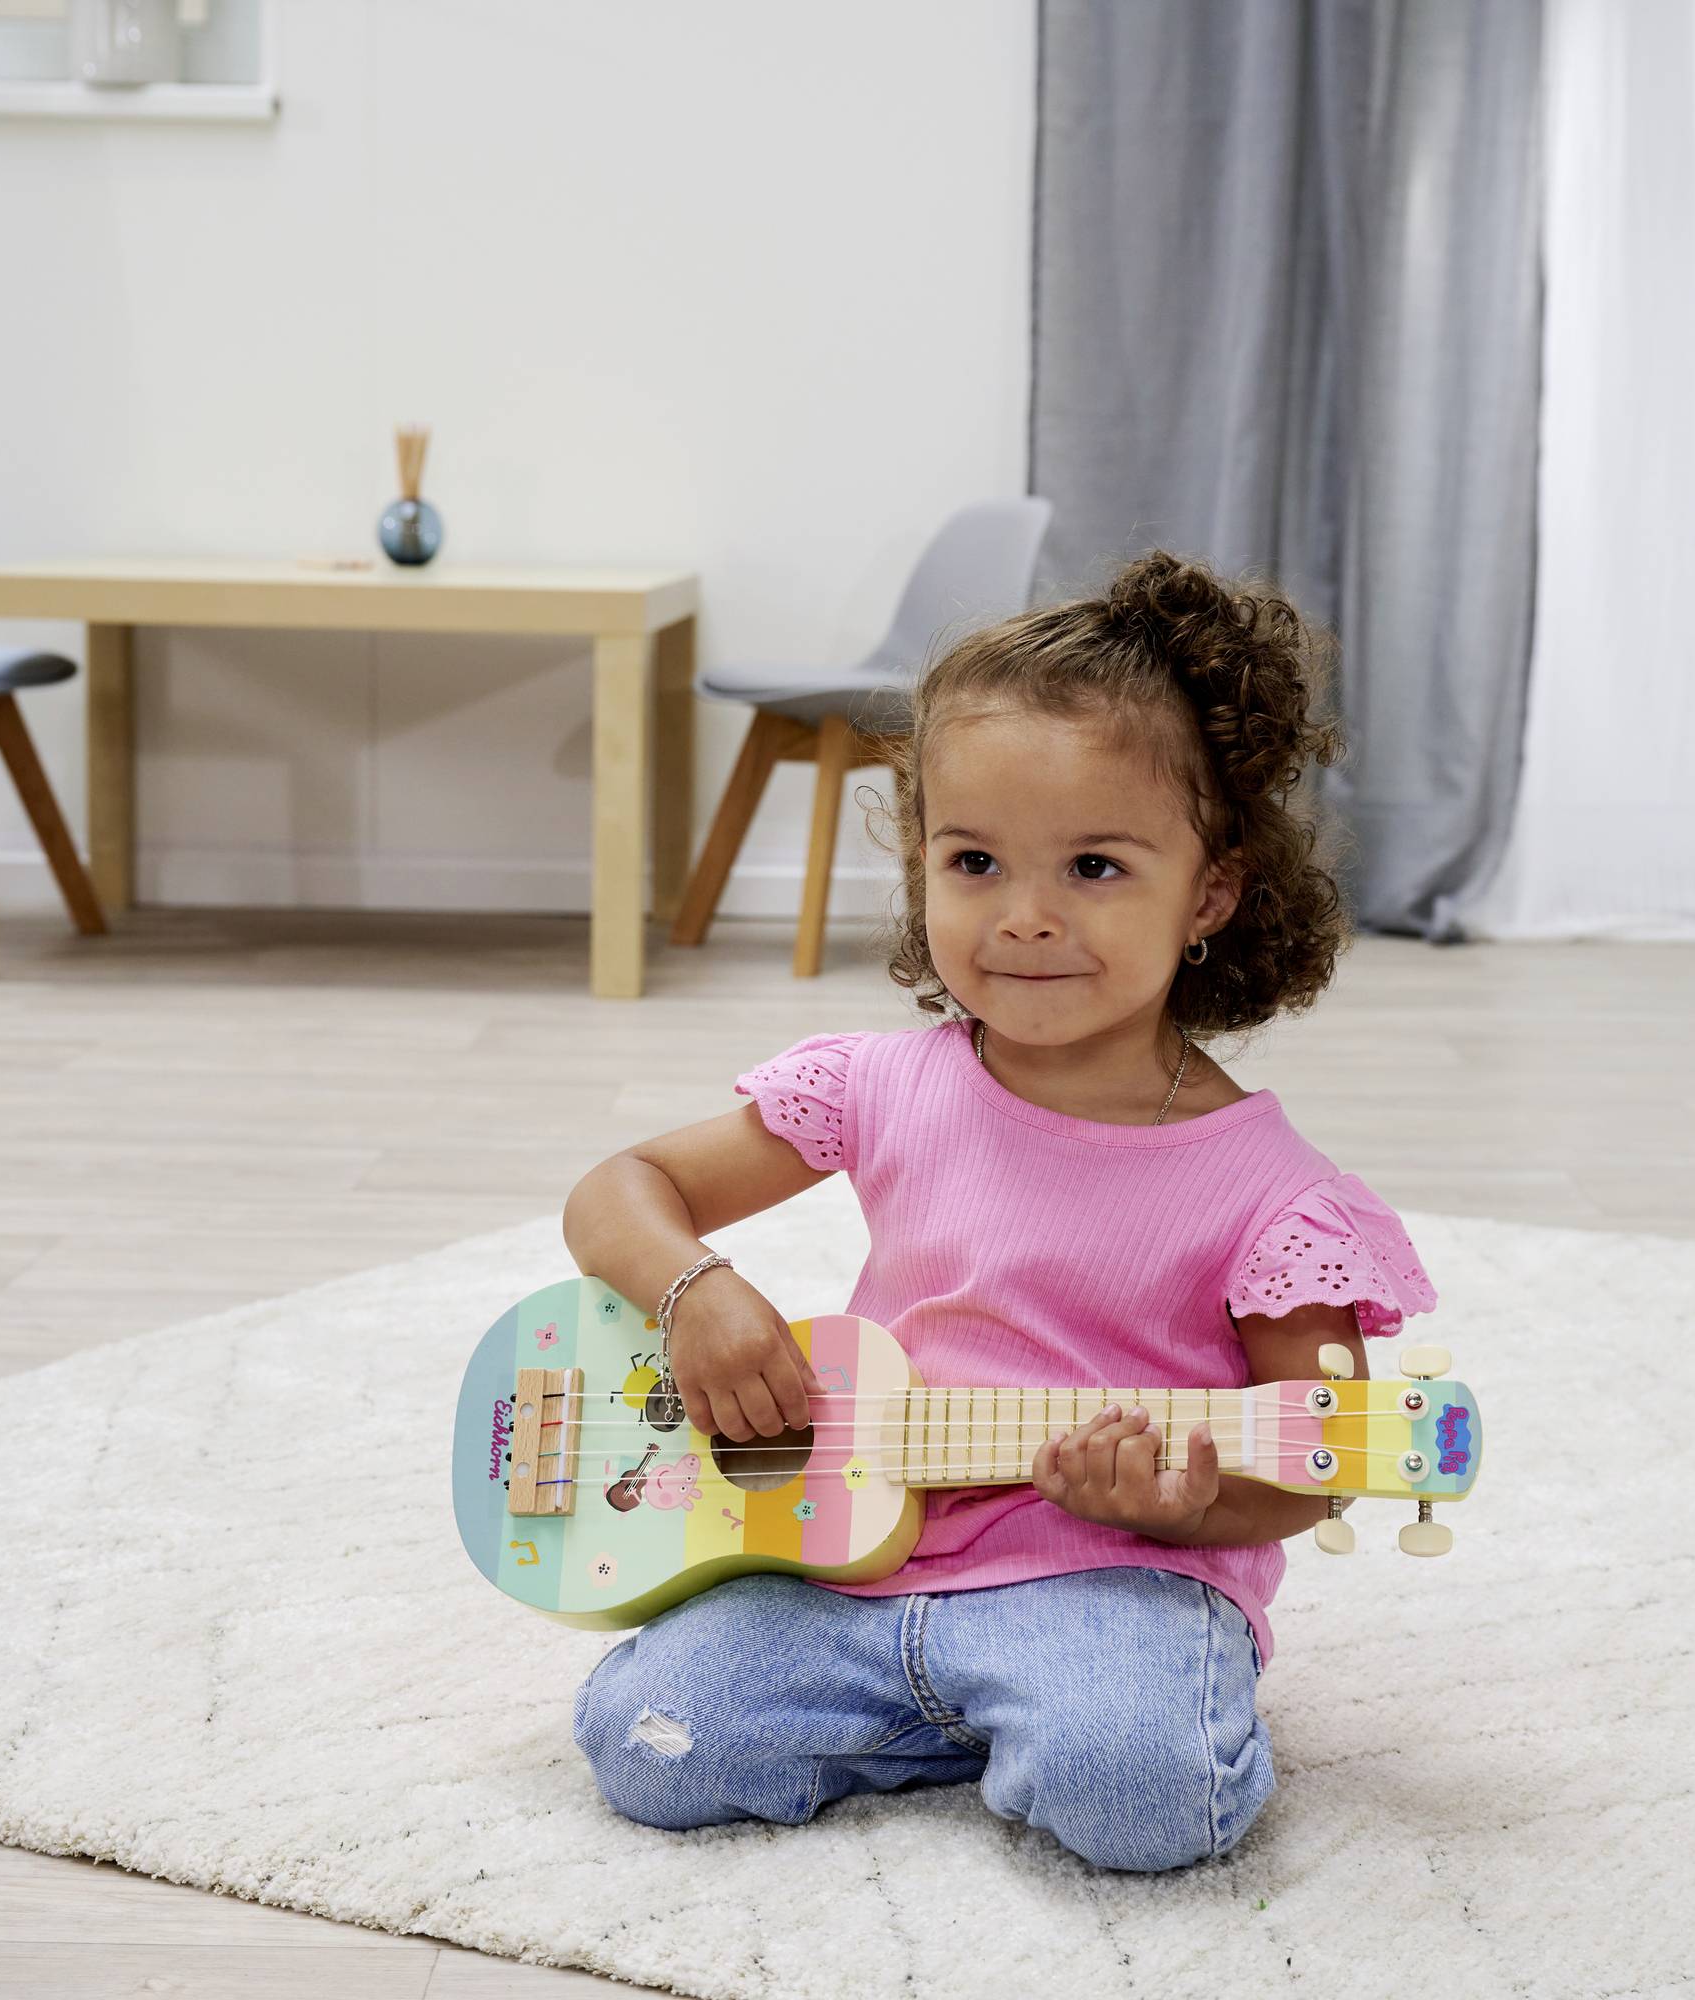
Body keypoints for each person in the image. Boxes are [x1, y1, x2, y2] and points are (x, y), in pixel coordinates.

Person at [559, 548, 1437, 1872]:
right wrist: (699, 1294)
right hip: (850, 1564)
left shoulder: (1275, 1198)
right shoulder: (874, 1086)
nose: (1024, 919)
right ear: (920, 862)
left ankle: (1041, 1717)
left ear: (1211, 890)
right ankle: (973, 1723)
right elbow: (621, 1192)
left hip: (1111, 1578)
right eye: (974, 861)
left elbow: (1308, 1467)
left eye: (1094, 867)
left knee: (1141, 1795)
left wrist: (1177, 1507)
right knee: (650, 1740)